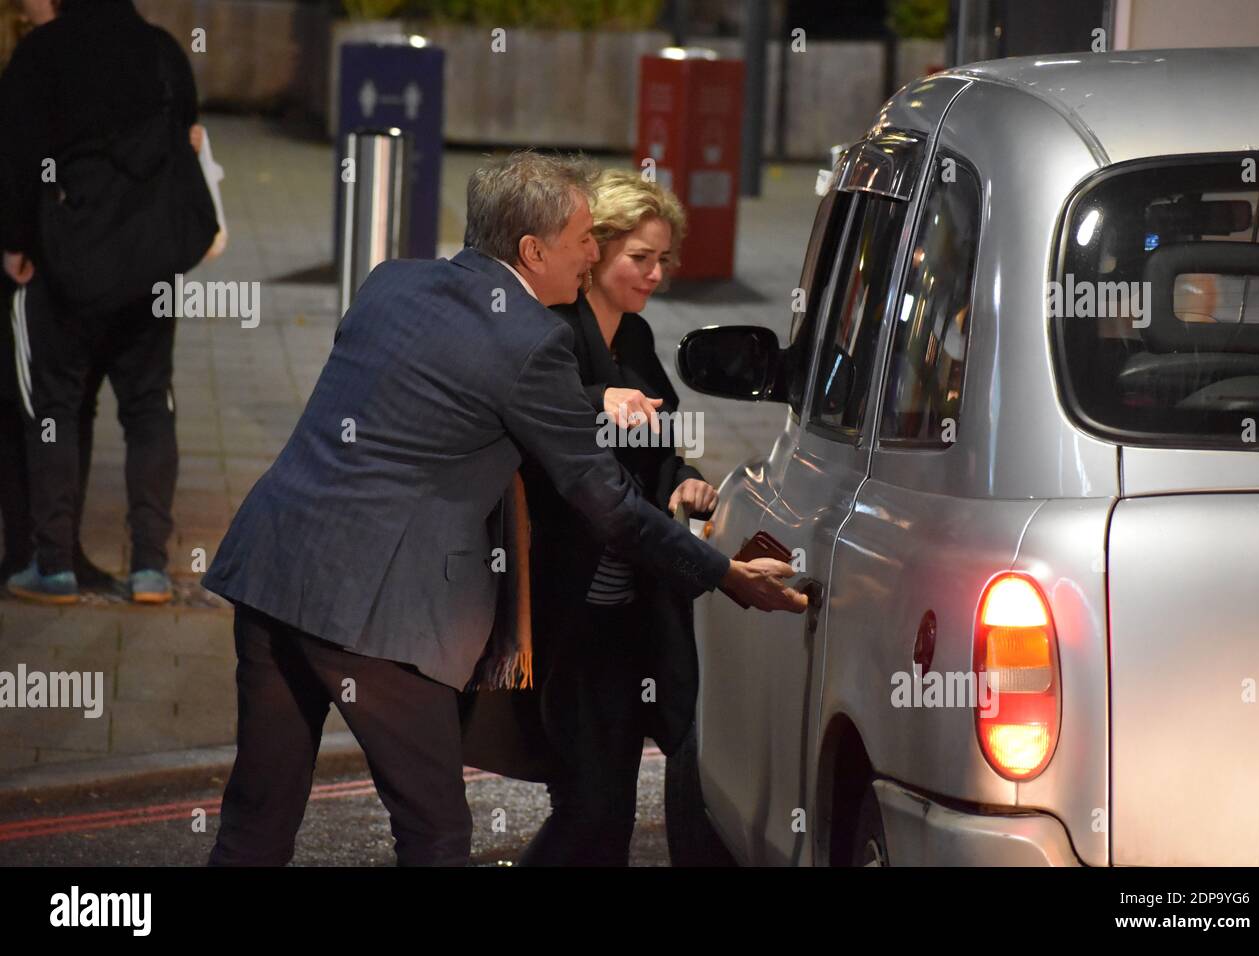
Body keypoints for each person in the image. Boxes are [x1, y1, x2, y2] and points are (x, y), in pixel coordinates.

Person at [201, 151, 808, 867]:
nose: (592, 253)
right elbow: (608, 505)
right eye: (585, 239)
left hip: (269, 565)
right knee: (434, 834)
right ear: (532, 250)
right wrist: (725, 575)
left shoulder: (391, 282)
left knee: (255, 822)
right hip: (377, 609)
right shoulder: (531, 341)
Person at [517, 170, 716, 865]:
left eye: (664, 260)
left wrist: (686, 481)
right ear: (595, 251)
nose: (656, 274)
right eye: (641, 257)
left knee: (618, 810)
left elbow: (663, 444)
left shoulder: (634, 336)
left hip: (634, 610)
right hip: (569, 611)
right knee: (590, 808)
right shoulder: (552, 334)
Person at [0, 0, 201, 604]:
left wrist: (14, 244)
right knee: (148, 408)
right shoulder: (163, 51)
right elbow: (185, 135)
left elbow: (12, 158)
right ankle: (149, 569)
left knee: (56, 404)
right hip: (150, 266)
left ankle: (53, 563)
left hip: (66, 264)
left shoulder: (42, 53)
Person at [0, 0, 116, 592]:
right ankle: (35, 548)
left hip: (60, 257)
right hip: (42, 257)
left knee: (56, 406)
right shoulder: (46, 54)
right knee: (36, 405)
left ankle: (53, 549)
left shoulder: (57, 53)